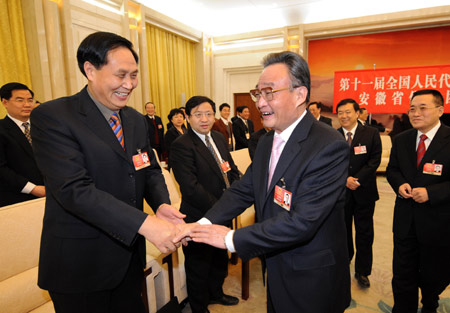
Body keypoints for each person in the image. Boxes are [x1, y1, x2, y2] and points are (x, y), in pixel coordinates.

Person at [177, 51, 351, 313]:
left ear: (300, 95)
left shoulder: (328, 145)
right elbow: (244, 189)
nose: (259, 102)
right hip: (276, 261)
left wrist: (231, 239)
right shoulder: (268, 140)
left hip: (311, 274)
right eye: (258, 93)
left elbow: (302, 221)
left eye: (269, 92)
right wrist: (204, 224)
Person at [30, 31, 185, 313]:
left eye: (134, 75)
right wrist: (145, 223)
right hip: (81, 265)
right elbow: (74, 190)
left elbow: (148, 169)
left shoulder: (136, 120)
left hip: (127, 258)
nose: (129, 84)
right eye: (121, 75)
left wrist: (161, 203)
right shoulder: (53, 117)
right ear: (90, 69)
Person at [170, 96, 240, 313]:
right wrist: (221, 207)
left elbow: (230, 169)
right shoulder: (181, 145)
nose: (204, 119)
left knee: (219, 259)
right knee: (199, 266)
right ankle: (199, 307)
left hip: (223, 210)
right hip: (198, 216)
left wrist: (240, 190)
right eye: (198, 114)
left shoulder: (218, 138)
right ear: (188, 117)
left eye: (209, 113)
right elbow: (190, 187)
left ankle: (216, 293)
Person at [386, 89, 450, 313]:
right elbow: (393, 170)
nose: (416, 113)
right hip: (405, 220)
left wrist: (432, 193)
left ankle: (430, 303)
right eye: (412, 108)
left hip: (438, 223)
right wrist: (399, 183)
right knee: (403, 273)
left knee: (434, 273)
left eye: (423, 108)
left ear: (440, 110)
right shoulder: (402, 139)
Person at [336, 98, 382, 289]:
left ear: (357, 113)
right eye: (340, 113)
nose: (344, 116)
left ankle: (363, 271)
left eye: (348, 112)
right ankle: (344, 262)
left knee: (364, 232)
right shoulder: (333, 135)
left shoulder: (370, 133)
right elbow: (330, 162)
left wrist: (357, 179)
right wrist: (345, 178)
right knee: (342, 230)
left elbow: (374, 160)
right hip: (341, 193)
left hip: (365, 192)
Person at [0, 82, 45, 206]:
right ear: (5, 102)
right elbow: (1, 169)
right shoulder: (2, 129)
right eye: (20, 100)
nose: (27, 105)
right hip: (17, 199)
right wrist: (33, 188)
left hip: (51, 194)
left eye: (30, 100)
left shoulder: (43, 127)